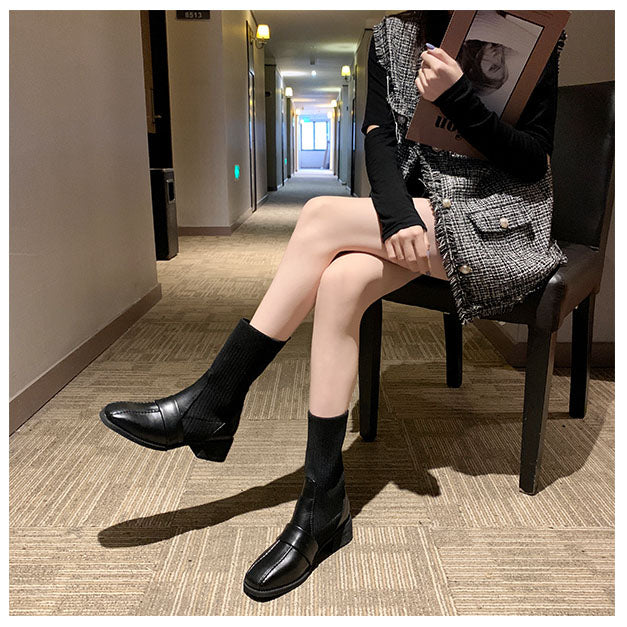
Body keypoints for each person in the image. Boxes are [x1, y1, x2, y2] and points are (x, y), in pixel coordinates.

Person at [99, 9, 564, 601]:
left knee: (319, 216)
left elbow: (532, 160)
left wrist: (460, 98)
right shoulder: (393, 33)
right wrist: (394, 216)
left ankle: (213, 403)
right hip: (422, 216)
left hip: (502, 221)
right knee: (341, 283)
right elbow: (377, 137)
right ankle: (324, 503)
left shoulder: (528, 27)